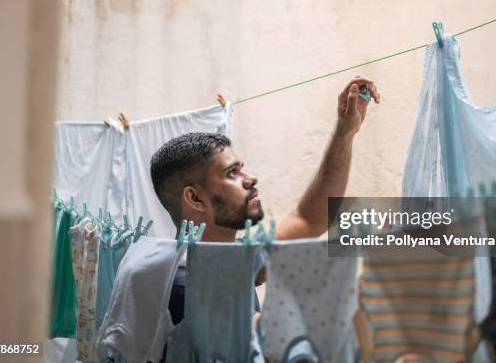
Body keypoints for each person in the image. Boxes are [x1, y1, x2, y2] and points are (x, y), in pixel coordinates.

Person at [150, 76, 380, 324]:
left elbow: (309, 219)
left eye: (242, 169)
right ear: (194, 198)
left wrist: (345, 133)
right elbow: (274, 344)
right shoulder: (187, 286)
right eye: (232, 173)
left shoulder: (230, 258)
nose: (251, 178)